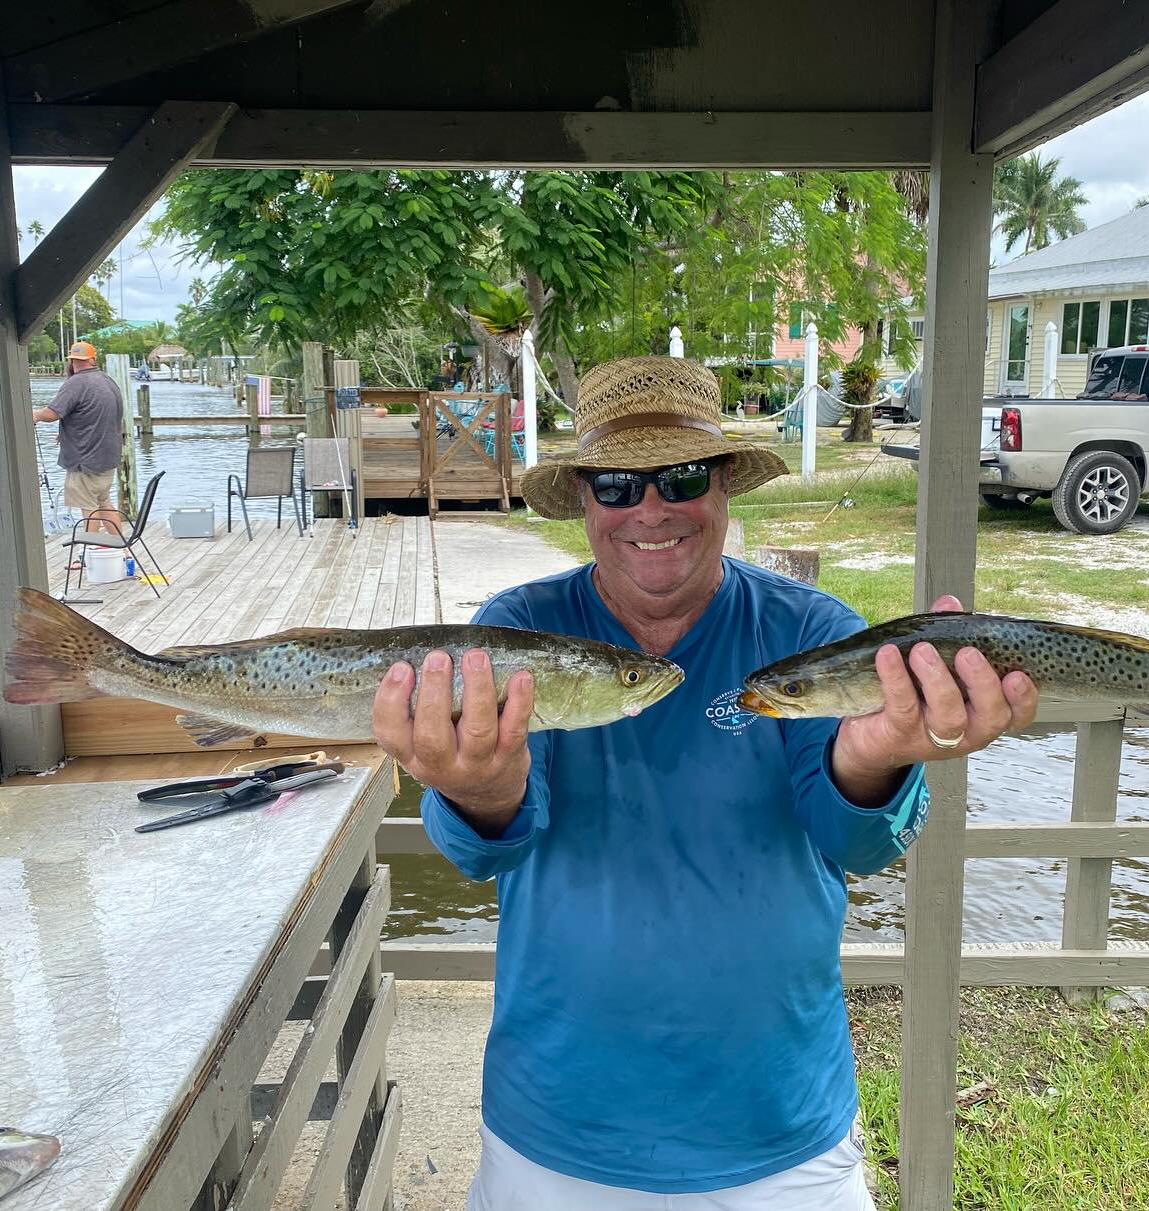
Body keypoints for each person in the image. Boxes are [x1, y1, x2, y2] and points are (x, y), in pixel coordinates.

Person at [372, 356, 1039, 1210]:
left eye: (683, 476)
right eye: (618, 484)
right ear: (585, 501)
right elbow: (480, 850)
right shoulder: (518, 629)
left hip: (782, 1132)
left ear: (724, 485)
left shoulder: (812, 630)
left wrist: (880, 756)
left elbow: (860, 842)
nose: (651, 509)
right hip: (557, 1129)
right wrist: (476, 787)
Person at [31, 340, 124, 542]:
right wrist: (67, 433)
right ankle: (123, 548)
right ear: (93, 359)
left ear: (71, 361)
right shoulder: (107, 381)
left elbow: (53, 413)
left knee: (89, 509)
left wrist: (35, 415)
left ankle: (88, 551)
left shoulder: (76, 383)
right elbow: (98, 415)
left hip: (85, 461)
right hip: (108, 458)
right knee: (104, 503)